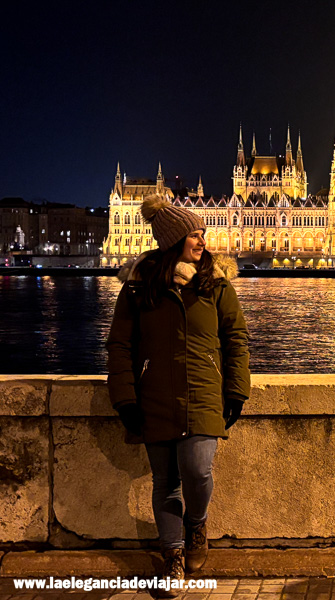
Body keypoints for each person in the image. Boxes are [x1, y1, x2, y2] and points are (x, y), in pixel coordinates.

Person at [107, 194, 250, 597]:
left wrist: (236, 389)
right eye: (194, 234)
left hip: (203, 392)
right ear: (173, 241)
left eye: (203, 232)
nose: (203, 240)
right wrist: (125, 399)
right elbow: (119, 346)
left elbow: (236, 340)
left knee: (198, 470)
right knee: (165, 481)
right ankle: (172, 556)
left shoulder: (216, 284)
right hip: (154, 395)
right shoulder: (139, 288)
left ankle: (197, 525)